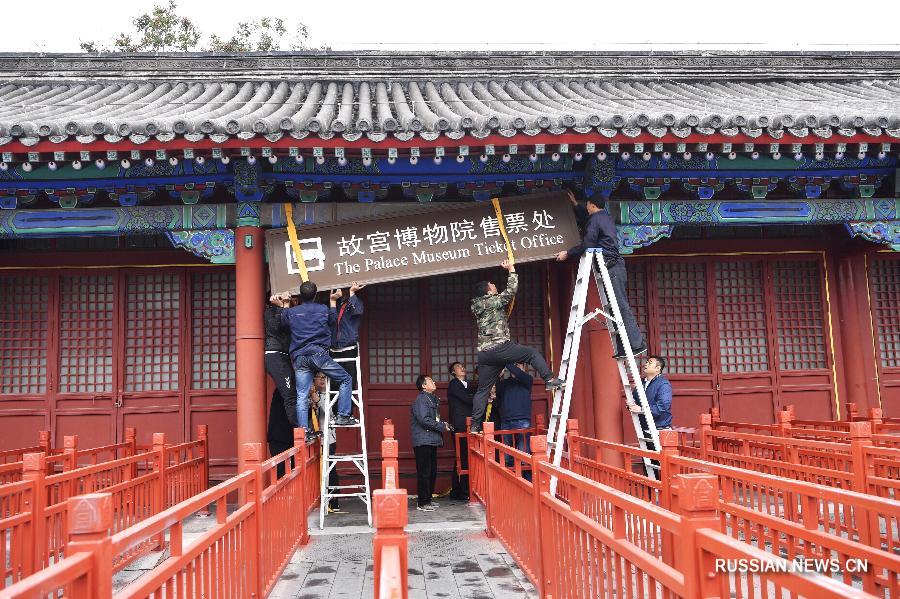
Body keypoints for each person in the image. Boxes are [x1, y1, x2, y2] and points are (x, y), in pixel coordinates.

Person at [469, 260, 563, 433]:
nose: (495, 286)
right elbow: (511, 291)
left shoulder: (477, 306)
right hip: (499, 347)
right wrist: (511, 269)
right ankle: (550, 380)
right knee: (532, 354)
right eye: (492, 285)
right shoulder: (492, 301)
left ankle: (475, 425)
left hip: (485, 353)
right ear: (488, 291)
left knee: (483, 390)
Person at [556, 191, 647, 360]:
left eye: (587, 205)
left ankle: (637, 344)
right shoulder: (604, 217)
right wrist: (575, 204)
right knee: (614, 307)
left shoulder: (595, 220)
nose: (586, 208)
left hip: (611, 267)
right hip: (614, 267)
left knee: (620, 306)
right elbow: (588, 220)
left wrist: (567, 253)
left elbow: (588, 243)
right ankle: (624, 347)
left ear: (591, 205)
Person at [281, 280, 358, 443]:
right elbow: (333, 320)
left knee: (302, 395)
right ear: (315, 295)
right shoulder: (322, 309)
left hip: (300, 357)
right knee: (346, 379)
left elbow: (283, 323)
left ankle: (303, 432)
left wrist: (286, 304)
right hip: (318, 354)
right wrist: (332, 301)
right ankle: (343, 415)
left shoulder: (293, 312)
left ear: (300, 295)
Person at [264, 291, 297, 474]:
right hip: (275, 354)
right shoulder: (270, 311)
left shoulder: (286, 311)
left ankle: (299, 428)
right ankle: (300, 429)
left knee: (290, 393)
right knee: (290, 395)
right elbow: (276, 327)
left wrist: (287, 307)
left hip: (284, 356)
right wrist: (281, 307)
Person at [411, 375, 452, 511]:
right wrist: (441, 426)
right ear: (424, 386)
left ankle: (427, 499)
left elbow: (432, 419)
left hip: (430, 440)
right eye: (430, 381)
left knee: (431, 471)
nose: (434, 382)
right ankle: (422, 503)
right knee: (425, 472)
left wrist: (442, 424)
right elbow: (424, 420)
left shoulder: (430, 398)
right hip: (423, 441)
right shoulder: (422, 399)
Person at [310, 371, 343, 512]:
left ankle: (333, 500)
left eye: (325, 377)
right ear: (313, 379)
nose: (322, 380)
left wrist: (317, 400)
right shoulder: (310, 395)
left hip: (328, 438)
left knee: (330, 469)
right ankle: (319, 498)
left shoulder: (332, 395)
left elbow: (330, 415)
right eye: (319, 377)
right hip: (314, 439)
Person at [627, 355, 673, 450]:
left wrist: (641, 409)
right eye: (646, 362)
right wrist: (631, 405)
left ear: (658, 368)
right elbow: (636, 401)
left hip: (659, 429)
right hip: (644, 428)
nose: (646, 364)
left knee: (660, 458)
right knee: (647, 457)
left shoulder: (663, 384)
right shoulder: (641, 383)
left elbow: (663, 407)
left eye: (650, 363)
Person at [329, 282, 365, 389]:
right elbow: (330, 320)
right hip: (333, 349)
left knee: (349, 381)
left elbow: (357, 311)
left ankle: (348, 401)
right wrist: (332, 301)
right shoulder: (333, 304)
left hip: (349, 348)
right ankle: (335, 401)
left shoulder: (355, 302)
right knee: (333, 384)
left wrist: (352, 292)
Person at [447, 361, 474, 500]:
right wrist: (481, 397)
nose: (462, 368)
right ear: (453, 372)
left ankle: (458, 491)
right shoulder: (454, 384)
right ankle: (463, 492)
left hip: (468, 424)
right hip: (460, 425)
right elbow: (467, 399)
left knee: (464, 457)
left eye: (462, 366)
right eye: (458, 367)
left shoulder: (467, 384)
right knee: (462, 457)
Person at [496, 363, 533, 460]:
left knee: (523, 453)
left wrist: (506, 361)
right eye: (514, 364)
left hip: (522, 419)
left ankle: (524, 470)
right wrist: (498, 375)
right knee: (507, 454)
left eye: (518, 365)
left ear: (524, 367)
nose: (516, 367)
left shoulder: (527, 379)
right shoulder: (504, 383)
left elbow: (518, 373)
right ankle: (508, 469)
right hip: (506, 420)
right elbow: (497, 397)